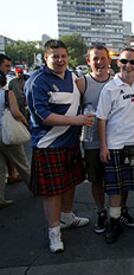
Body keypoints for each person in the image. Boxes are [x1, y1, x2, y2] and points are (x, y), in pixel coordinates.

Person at [26, 40, 92, 253]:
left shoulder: (73, 77)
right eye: (55, 56)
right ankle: (54, 232)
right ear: (45, 58)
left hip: (71, 143)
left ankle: (67, 217)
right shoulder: (37, 81)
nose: (60, 60)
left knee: (70, 183)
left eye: (63, 56)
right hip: (48, 145)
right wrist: (78, 121)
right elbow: (43, 116)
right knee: (52, 192)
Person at [97, 48, 134, 243]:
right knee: (115, 188)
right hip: (115, 146)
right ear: (118, 63)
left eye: (132, 62)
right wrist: (103, 147)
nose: (127, 65)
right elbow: (101, 119)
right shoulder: (109, 88)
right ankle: (114, 222)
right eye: (123, 61)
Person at [76, 45, 112, 234]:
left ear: (109, 60)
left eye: (103, 58)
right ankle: (101, 211)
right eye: (95, 58)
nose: (99, 62)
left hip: (114, 140)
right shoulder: (82, 83)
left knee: (116, 180)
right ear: (88, 61)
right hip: (91, 141)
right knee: (96, 180)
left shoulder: (116, 81)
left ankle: (118, 211)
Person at [0, 71, 31, 208]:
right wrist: (24, 121)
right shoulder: (7, 94)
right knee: (22, 163)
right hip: (6, 133)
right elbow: (15, 112)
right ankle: (36, 188)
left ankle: (1, 198)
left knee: (1, 169)